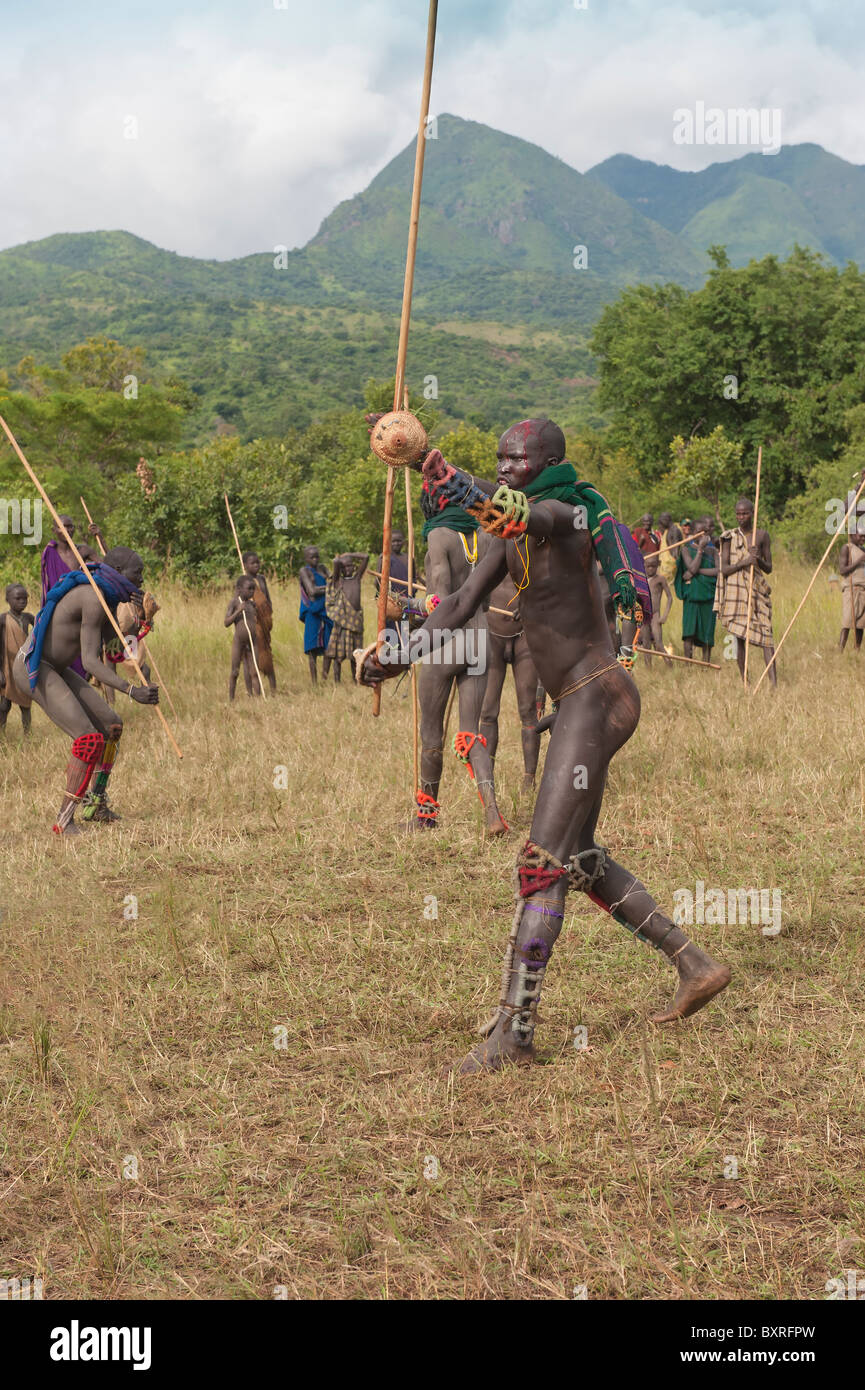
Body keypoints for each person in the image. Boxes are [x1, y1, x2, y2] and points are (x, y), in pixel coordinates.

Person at [359, 416, 730, 1071]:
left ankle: (514, 1032)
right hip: (579, 701)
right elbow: (458, 604)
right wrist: (397, 651)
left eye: (516, 461)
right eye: (499, 459)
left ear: (548, 463)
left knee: (538, 867)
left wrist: (434, 468)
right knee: (576, 859)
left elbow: (521, 512)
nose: (505, 470)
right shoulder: (506, 535)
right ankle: (694, 964)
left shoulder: (566, 512)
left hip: (596, 697)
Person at [12, 546, 159, 834]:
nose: (141, 580)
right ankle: (64, 821)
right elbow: (91, 662)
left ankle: (96, 805)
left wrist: (141, 623)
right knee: (88, 739)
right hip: (36, 665)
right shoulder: (93, 596)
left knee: (112, 726)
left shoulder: (109, 597)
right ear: (119, 572)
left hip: (57, 668)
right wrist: (132, 692)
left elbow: (114, 652)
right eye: (137, 573)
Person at [480, 572, 544, 791]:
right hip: (491, 632)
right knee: (487, 711)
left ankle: (529, 779)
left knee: (528, 709)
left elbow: (548, 581)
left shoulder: (532, 540)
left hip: (525, 632)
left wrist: (532, 603)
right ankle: (486, 778)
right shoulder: (485, 542)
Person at [717, 497, 776, 686]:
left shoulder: (761, 535)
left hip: (757, 591)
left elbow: (769, 568)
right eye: (738, 514)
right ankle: (745, 681)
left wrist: (757, 559)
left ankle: (774, 684)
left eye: (745, 513)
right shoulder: (729, 537)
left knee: (767, 636)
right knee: (740, 639)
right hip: (737, 594)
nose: (741, 517)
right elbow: (725, 569)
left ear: (752, 514)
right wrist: (744, 562)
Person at [40, 515, 105, 679]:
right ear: (54, 530)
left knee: (89, 653)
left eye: (71, 526)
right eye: (63, 527)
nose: (68, 530)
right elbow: (48, 587)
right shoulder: (50, 552)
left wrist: (100, 537)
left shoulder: (83, 551)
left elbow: (108, 567)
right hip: (59, 611)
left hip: (82, 609)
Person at [676, 516, 718, 664]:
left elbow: (718, 571)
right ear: (693, 533)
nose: (703, 535)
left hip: (708, 596)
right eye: (699, 532)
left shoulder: (713, 551)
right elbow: (690, 568)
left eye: (704, 532)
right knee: (689, 632)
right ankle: (688, 662)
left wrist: (697, 572)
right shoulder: (686, 549)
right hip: (692, 596)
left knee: (707, 631)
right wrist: (700, 550)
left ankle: (706, 663)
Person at [325, 553, 368, 682]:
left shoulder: (357, 579)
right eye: (344, 567)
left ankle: (356, 680)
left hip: (355, 622)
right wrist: (339, 561)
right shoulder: (338, 581)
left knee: (355, 655)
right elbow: (336, 563)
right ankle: (337, 681)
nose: (347, 569)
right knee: (338, 656)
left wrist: (349, 554)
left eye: (350, 566)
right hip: (342, 623)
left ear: (354, 567)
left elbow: (365, 557)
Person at [0, 583, 34, 734]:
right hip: (7, 667)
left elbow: (42, 630)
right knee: (4, 705)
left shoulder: (29, 618)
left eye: (25, 598)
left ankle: (28, 734)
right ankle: (2, 733)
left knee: (26, 704)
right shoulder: (2, 620)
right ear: (8, 599)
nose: (22, 601)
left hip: (23, 667)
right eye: (17, 598)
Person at [242, 552, 277, 692]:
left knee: (266, 652)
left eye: (258, 562)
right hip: (253, 623)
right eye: (252, 563)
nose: (256, 565)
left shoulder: (261, 579)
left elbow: (267, 598)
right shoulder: (243, 581)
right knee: (250, 656)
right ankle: (251, 691)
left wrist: (268, 614)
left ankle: (273, 688)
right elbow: (240, 601)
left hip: (264, 622)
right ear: (245, 565)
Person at [298, 546, 332, 684]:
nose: (315, 559)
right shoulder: (304, 571)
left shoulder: (323, 568)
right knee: (312, 647)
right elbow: (312, 591)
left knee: (329, 645)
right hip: (312, 610)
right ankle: (314, 682)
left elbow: (335, 580)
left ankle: (324, 678)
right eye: (312, 557)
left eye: (317, 556)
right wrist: (330, 588)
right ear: (306, 558)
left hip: (326, 609)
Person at [225, 576, 262, 699]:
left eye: (253, 589)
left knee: (255, 671)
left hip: (253, 641)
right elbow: (226, 622)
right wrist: (238, 611)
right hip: (239, 641)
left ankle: (257, 699)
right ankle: (231, 699)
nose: (252, 591)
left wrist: (256, 610)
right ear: (239, 589)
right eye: (249, 589)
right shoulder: (235, 602)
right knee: (235, 671)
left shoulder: (251, 604)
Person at [639, 551, 672, 666]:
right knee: (646, 643)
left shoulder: (660, 579)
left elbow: (670, 598)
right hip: (644, 615)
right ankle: (648, 669)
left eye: (654, 566)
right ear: (644, 565)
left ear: (658, 565)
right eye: (648, 566)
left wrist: (664, 616)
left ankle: (669, 664)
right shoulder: (641, 579)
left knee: (658, 642)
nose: (651, 569)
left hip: (655, 615)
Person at [838, 520, 865, 651]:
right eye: (861, 536)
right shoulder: (847, 548)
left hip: (863, 590)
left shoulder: (863, 550)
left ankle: (857, 650)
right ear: (853, 535)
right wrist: (859, 561)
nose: (863, 538)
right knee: (847, 621)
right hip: (851, 589)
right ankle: (840, 649)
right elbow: (842, 570)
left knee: (860, 624)